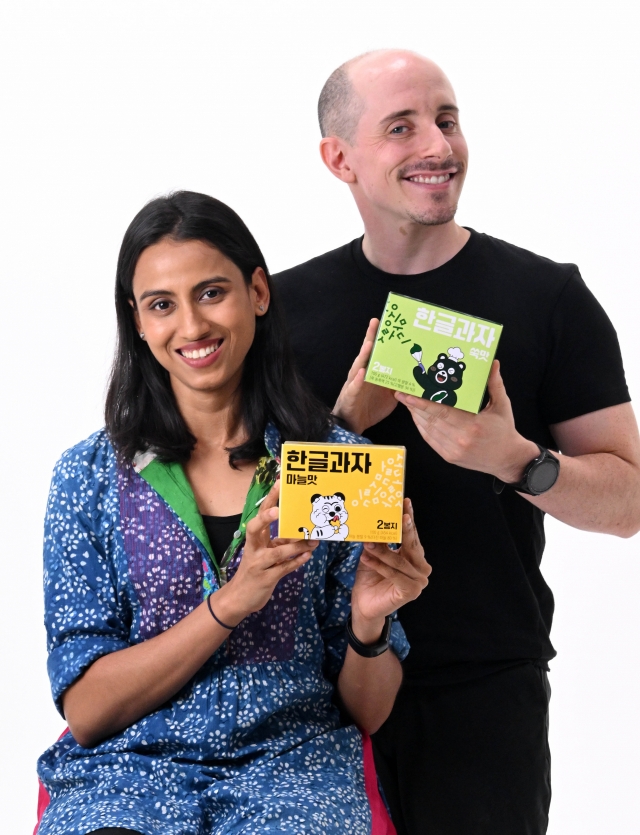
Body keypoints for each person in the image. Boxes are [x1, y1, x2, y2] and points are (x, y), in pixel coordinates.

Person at [273, 50, 640, 835]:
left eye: (447, 119)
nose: (437, 146)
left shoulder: (549, 298)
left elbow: (629, 503)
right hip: (317, 688)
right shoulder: (285, 309)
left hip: (483, 688)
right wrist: (346, 428)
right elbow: (252, 515)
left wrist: (514, 458)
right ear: (339, 158)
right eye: (401, 127)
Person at [36, 190, 431, 835]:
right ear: (137, 321)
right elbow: (86, 710)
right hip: (125, 778)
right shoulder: (87, 476)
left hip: (294, 773)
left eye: (212, 293)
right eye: (162, 305)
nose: (191, 327)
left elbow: (368, 713)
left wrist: (368, 621)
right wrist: (231, 601)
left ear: (258, 293)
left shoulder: (338, 461)